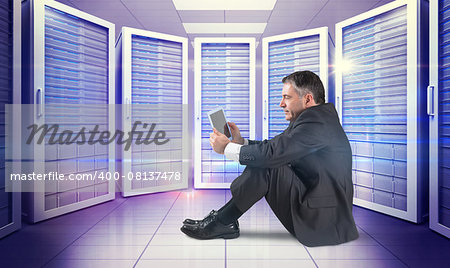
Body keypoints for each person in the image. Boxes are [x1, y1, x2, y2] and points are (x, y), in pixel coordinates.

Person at [181, 70, 359, 246]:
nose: (281, 104)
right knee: (266, 160)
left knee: (267, 164)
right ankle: (224, 220)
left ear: (307, 99)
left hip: (325, 221)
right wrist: (240, 142)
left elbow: (272, 154)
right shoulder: (315, 118)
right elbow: (276, 147)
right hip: (319, 208)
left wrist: (227, 148)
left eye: (287, 97)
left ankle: (222, 221)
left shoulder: (316, 122)